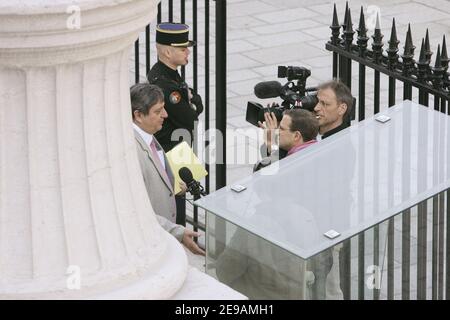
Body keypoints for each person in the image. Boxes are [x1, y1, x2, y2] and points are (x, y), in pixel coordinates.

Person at [131, 83, 205, 256]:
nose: (165, 115)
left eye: (163, 109)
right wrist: (176, 231)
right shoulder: (132, 150)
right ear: (138, 115)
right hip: (149, 245)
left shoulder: (148, 136)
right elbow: (136, 211)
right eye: (158, 111)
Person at [147, 22, 204, 227]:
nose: (188, 51)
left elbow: (196, 101)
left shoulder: (167, 73)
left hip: (178, 149)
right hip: (173, 152)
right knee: (176, 210)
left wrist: (192, 100)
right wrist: (192, 102)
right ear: (168, 52)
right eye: (182, 48)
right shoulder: (165, 83)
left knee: (182, 199)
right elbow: (189, 117)